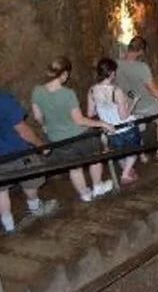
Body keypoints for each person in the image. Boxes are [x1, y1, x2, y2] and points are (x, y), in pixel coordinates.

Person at [31, 57, 116, 202]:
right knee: (95, 159)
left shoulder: (37, 91)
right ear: (64, 74)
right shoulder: (67, 94)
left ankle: (85, 194)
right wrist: (102, 123)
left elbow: (38, 116)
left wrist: (46, 125)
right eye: (67, 74)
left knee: (74, 168)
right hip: (78, 136)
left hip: (57, 139)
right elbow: (79, 120)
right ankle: (97, 187)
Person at [0, 89, 58, 233]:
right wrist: (40, 145)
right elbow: (22, 130)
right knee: (31, 180)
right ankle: (35, 207)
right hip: (17, 152)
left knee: (1, 191)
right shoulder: (3, 100)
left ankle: (9, 226)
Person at [88, 58, 141, 185]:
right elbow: (123, 116)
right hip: (126, 127)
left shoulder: (91, 91)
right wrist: (134, 102)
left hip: (110, 129)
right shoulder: (116, 91)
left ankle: (126, 169)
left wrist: (103, 111)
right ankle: (125, 174)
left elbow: (90, 114)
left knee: (119, 152)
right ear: (111, 73)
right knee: (135, 149)